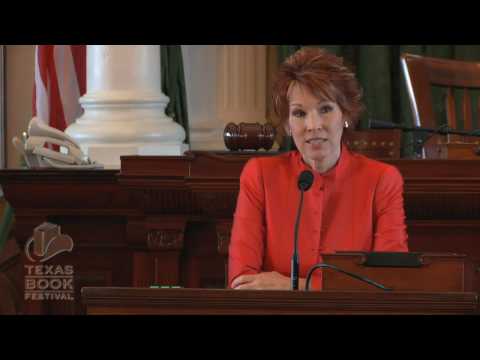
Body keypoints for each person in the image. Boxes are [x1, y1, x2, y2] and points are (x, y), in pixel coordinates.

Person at [228, 47, 408, 291]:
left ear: (345, 113)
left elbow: (388, 283)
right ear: (287, 125)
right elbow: (242, 283)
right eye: (299, 113)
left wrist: (291, 286)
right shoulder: (259, 175)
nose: (313, 125)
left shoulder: (382, 180)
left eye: (325, 109)